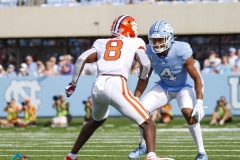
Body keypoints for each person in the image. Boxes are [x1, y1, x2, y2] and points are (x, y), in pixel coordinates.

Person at [64, 15, 163, 160]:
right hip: (116, 84)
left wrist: (73, 83)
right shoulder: (136, 42)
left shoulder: (101, 42)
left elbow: (81, 58)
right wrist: (142, 77)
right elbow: (146, 63)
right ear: (130, 29)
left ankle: (71, 156)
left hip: (98, 85)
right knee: (148, 122)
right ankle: (151, 156)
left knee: (96, 120)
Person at [128, 20, 208, 160]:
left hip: (184, 86)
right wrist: (135, 99)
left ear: (170, 38)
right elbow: (144, 78)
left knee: (188, 113)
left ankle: (201, 152)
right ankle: (143, 145)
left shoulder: (181, 49)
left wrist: (200, 102)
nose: (157, 43)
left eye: (160, 39)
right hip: (164, 86)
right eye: (154, 40)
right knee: (140, 111)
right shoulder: (148, 51)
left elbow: (196, 78)